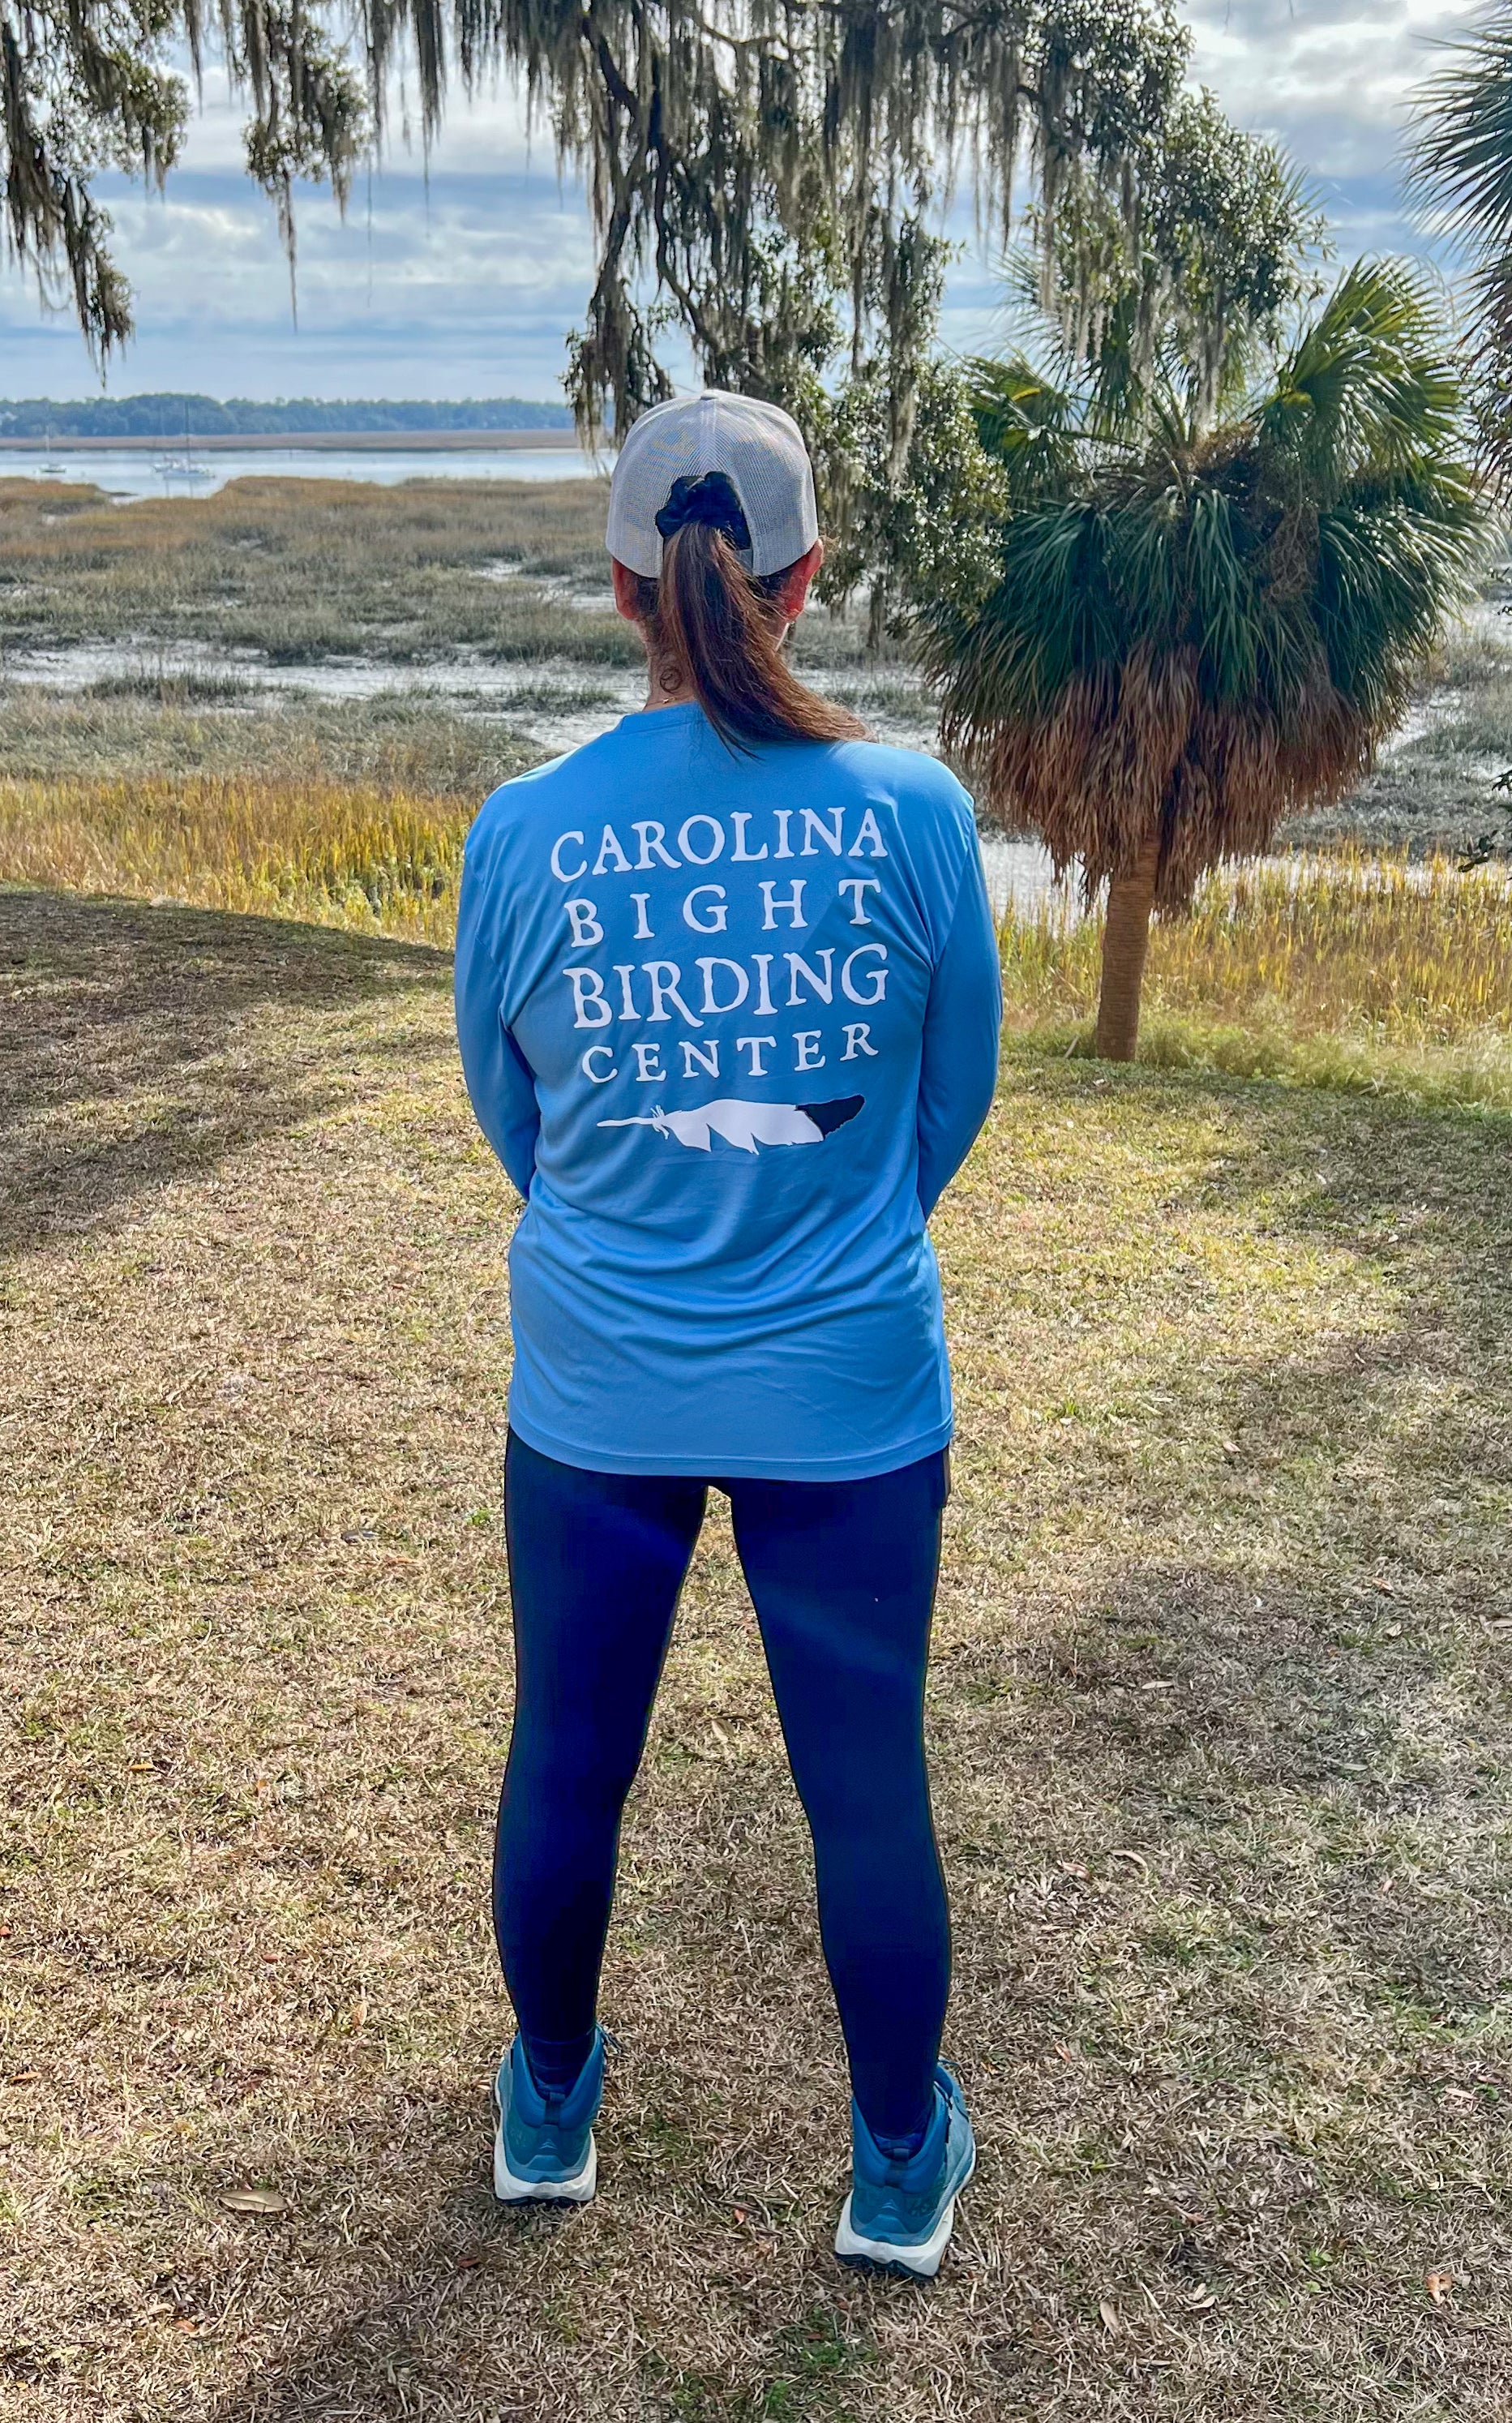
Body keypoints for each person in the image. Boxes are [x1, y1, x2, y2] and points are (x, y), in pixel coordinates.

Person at [454, 391, 1001, 2279]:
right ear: (808, 578)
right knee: (865, 1787)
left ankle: (548, 2104)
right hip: (850, 1393)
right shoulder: (916, 811)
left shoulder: (524, 831)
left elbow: (518, 1125)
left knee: (567, 1757)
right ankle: (897, 2161)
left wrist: (651, 1239)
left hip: (596, 1392)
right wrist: (823, 1234)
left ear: (625, 588)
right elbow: (946, 1106)